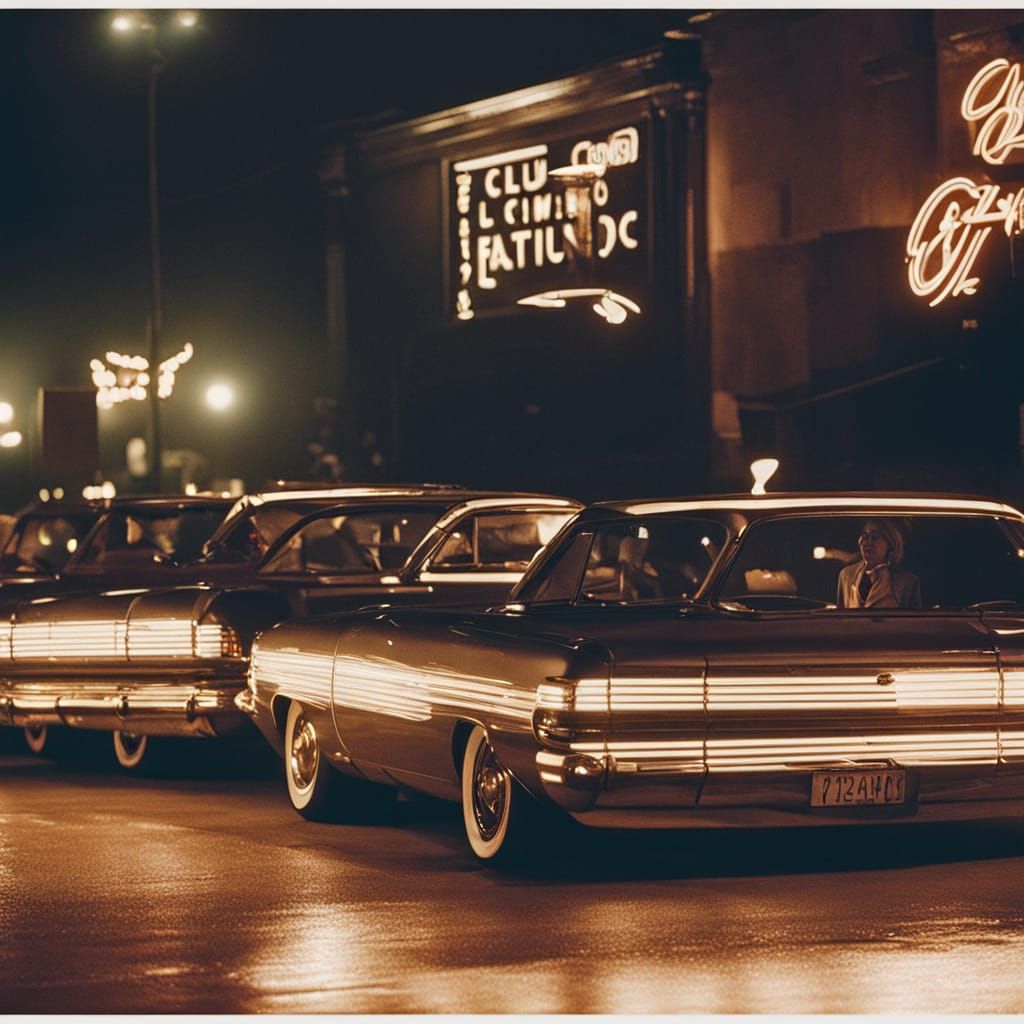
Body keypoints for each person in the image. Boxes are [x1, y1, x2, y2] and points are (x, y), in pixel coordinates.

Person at [837, 518, 921, 609]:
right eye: (865, 536)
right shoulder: (846, 575)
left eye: (875, 537)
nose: (867, 542)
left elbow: (912, 622)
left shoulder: (907, 583)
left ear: (890, 543)